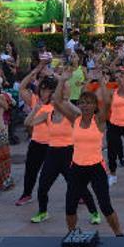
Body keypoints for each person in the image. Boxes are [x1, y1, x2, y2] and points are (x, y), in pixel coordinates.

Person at [28, 73, 101, 225]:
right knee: (42, 187)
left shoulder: (71, 114)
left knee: (79, 187)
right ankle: (43, 212)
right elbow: (28, 123)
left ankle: (94, 212)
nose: (52, 96)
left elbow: (83, 113)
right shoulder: (48, 114)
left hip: (69, 154)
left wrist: (66, 100)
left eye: (54, 94)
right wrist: (35, 110)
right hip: (52, 154)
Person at [53, 84, 124, 236]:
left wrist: (101, 81)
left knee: (105, 206)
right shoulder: (75, 119)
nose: (84, 105)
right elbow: (56, 102)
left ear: (94, 106)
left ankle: (119, 234)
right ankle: (71, 234)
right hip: (77, 168)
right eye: (82, 102)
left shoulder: (99, 121)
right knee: (70, 205)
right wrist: (63, 80)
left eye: (88, 102)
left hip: (96, 168)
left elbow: (107, 101)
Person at [15, 77, 55, 206]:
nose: (44, 93)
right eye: (42, 90)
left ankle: (81, 194)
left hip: (54, 145)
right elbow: (21, 87)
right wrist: (37, 68)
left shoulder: (57, 105)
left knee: (67, 171)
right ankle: (27, 194)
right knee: (31, 170)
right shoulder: (35, 101)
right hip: (37, 143)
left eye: (48, 90)